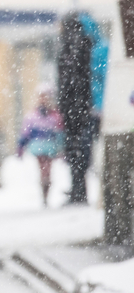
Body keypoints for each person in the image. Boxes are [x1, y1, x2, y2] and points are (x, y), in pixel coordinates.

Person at [57, 12, 94, 205]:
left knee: (74, 150)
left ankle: (78, 190)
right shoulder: (84, 43)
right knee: (80, 149)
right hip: (82, 106)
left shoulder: (70, 45)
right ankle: (80, 189)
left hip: (73, 107)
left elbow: (67, 80)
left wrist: (64, 103)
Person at [18, 86, 65, 206]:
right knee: (44, 168)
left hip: (49, 146)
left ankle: (45, 190)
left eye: (45, 97)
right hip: (38, 145)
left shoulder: (55, 115)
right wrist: (20, 147)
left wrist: (61, 148)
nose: (43, 100)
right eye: (41, 97)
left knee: (46, 169)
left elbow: (59, 133)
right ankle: (44, 190)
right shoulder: (32, 116)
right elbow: (25, 132)